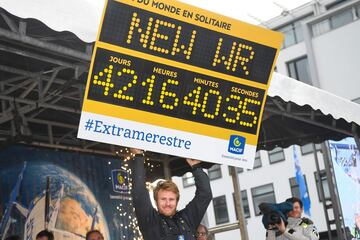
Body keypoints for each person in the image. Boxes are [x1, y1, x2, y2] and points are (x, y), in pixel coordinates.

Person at [130, 148, 213, 240]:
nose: (168, 203)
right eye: (163, 199)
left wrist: (196, 167)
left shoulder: (187, 218)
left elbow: (205, 194)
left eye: (171, 199)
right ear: (156, 201)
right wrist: (138, 156)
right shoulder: (150, 220)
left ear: (177, 201)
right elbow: (139, 192)